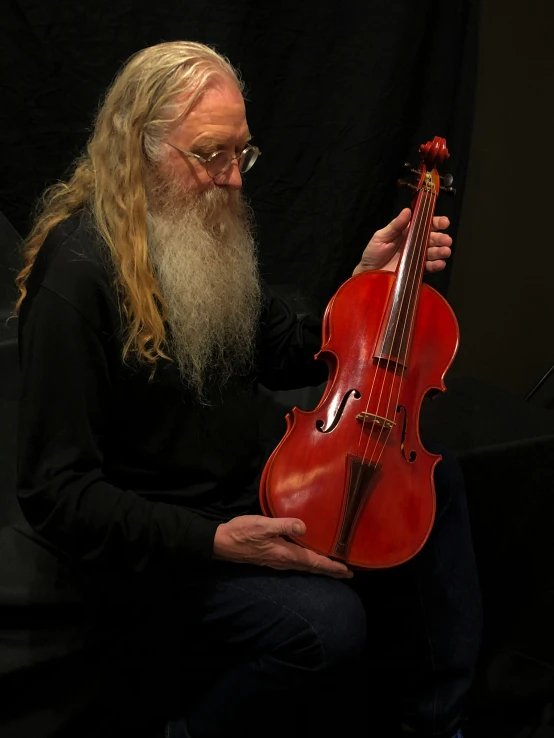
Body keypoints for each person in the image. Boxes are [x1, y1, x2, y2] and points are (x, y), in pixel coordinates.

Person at [9, 40, 481, 738]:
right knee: (327, 626)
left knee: (432, 489)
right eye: (210, 154)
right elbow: (57, 493)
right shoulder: (76, 279)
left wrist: (364, 278)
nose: (232, 178)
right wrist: (219, 541)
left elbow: (288, 349)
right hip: (166, 540)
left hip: (250, 487)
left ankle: (437, 724)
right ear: (138, 149)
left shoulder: (199, 229)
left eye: (242, 154)